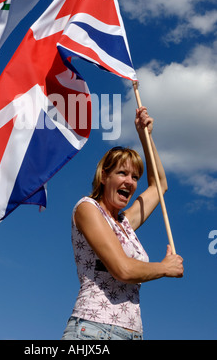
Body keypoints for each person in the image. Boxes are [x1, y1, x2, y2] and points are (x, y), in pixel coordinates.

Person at [61, 106, 184, 340]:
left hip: (132, 334)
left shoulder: (125, 223)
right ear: (104, 176)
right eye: (122, 174)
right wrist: (164, 267)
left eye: (135, 177)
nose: (130, 181)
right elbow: (123, 269)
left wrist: (144, 135)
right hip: (94, 330)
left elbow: (160, 184)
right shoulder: (87, 208)